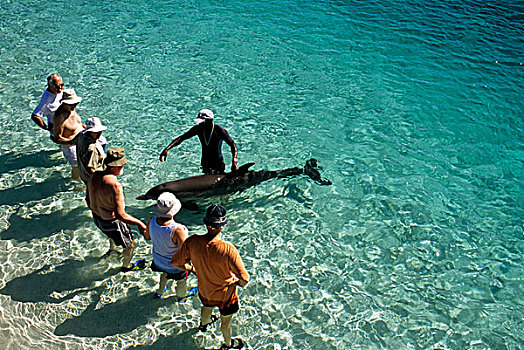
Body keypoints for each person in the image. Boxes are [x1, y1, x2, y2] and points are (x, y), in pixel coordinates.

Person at [171, 204, 249, 350]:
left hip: (205, 290)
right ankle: (228, 344)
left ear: (206, 223)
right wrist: (235, 282)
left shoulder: (192, 242)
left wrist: (193, 270)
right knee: (225, 322)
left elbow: (175, 262)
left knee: (206, 307)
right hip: (226, 296)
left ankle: (204, 325)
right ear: (223, 225)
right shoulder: (228, 250)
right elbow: (244, 279)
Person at [87, 147, 147, 272]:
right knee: (130, 243)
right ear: (115, 167)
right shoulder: (115, 185)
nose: (123, 167)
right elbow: (121, 215)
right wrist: (140, 224)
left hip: (97, 218)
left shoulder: (94, 175)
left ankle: (112, 249)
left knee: (110, 235)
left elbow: (87, 199)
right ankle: (126, 266)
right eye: (122, 165)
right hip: (112, 222)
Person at [144, 192, 196, 299]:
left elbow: (147, 237)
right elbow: (185, 253)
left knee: (164, 274)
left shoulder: (152, 220)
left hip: (158, 261)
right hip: (175, 267)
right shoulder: (178, 229)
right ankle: (182, 295)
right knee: (181, 281)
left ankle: (160, 292)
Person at [160, 109, 238, 174]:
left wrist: (234, 160)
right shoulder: (198, 129)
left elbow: (232, 144)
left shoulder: (219, 130)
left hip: (218, 163)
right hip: (205, 162)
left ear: (209, 121)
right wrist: (167, 149)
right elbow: (182, 138)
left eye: (202, 121)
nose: (200, 123)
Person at [52, 89, 85, 182]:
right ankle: (77, 186)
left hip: (80, 142)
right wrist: (72, 142)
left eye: (75, 103)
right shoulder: (60, 116)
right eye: (71, 104)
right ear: (64, 103)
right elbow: (57, 138)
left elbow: (77, 124)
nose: (74, 106)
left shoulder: (71, 109)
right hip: (71, 147)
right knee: (76, 168)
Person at [76, 116, 107, 185]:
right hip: (93, 180)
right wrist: (104, 182)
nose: (99, 133)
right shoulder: (93, 148)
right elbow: (91, 169)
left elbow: (71, 142)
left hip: (83, 174)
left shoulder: (81, 136)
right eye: (96, 132)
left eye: (100, 131)